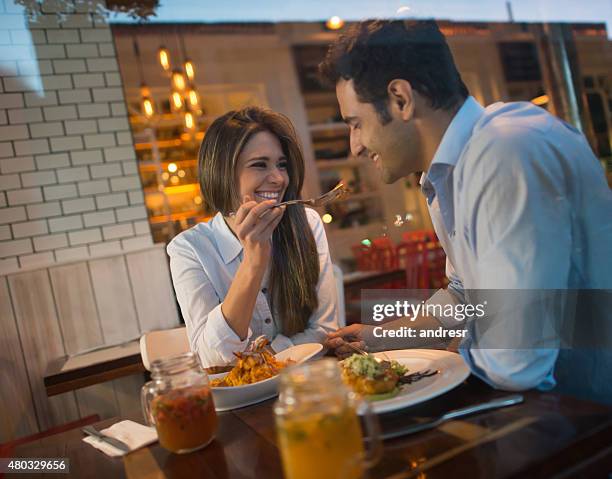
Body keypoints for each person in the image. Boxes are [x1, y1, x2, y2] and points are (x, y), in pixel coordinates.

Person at [319, 20, 612, 397]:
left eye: (356, 124)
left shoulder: (507, 151)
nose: (354, 146)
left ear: (401, 100)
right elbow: (466, 297)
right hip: (557, 408)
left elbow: (514, 360)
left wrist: (441, 358)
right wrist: (381, 338)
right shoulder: (446, 175)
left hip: (593, 414)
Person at [167, 107, 339, 367]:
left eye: (281, 165)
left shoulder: (306, 223)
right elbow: (211, 359)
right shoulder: (189, 249)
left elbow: (324, 330)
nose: (279, 178)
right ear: (223, 173)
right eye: (260, 165)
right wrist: (253, 263)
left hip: (308, 383)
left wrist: (260, 358)